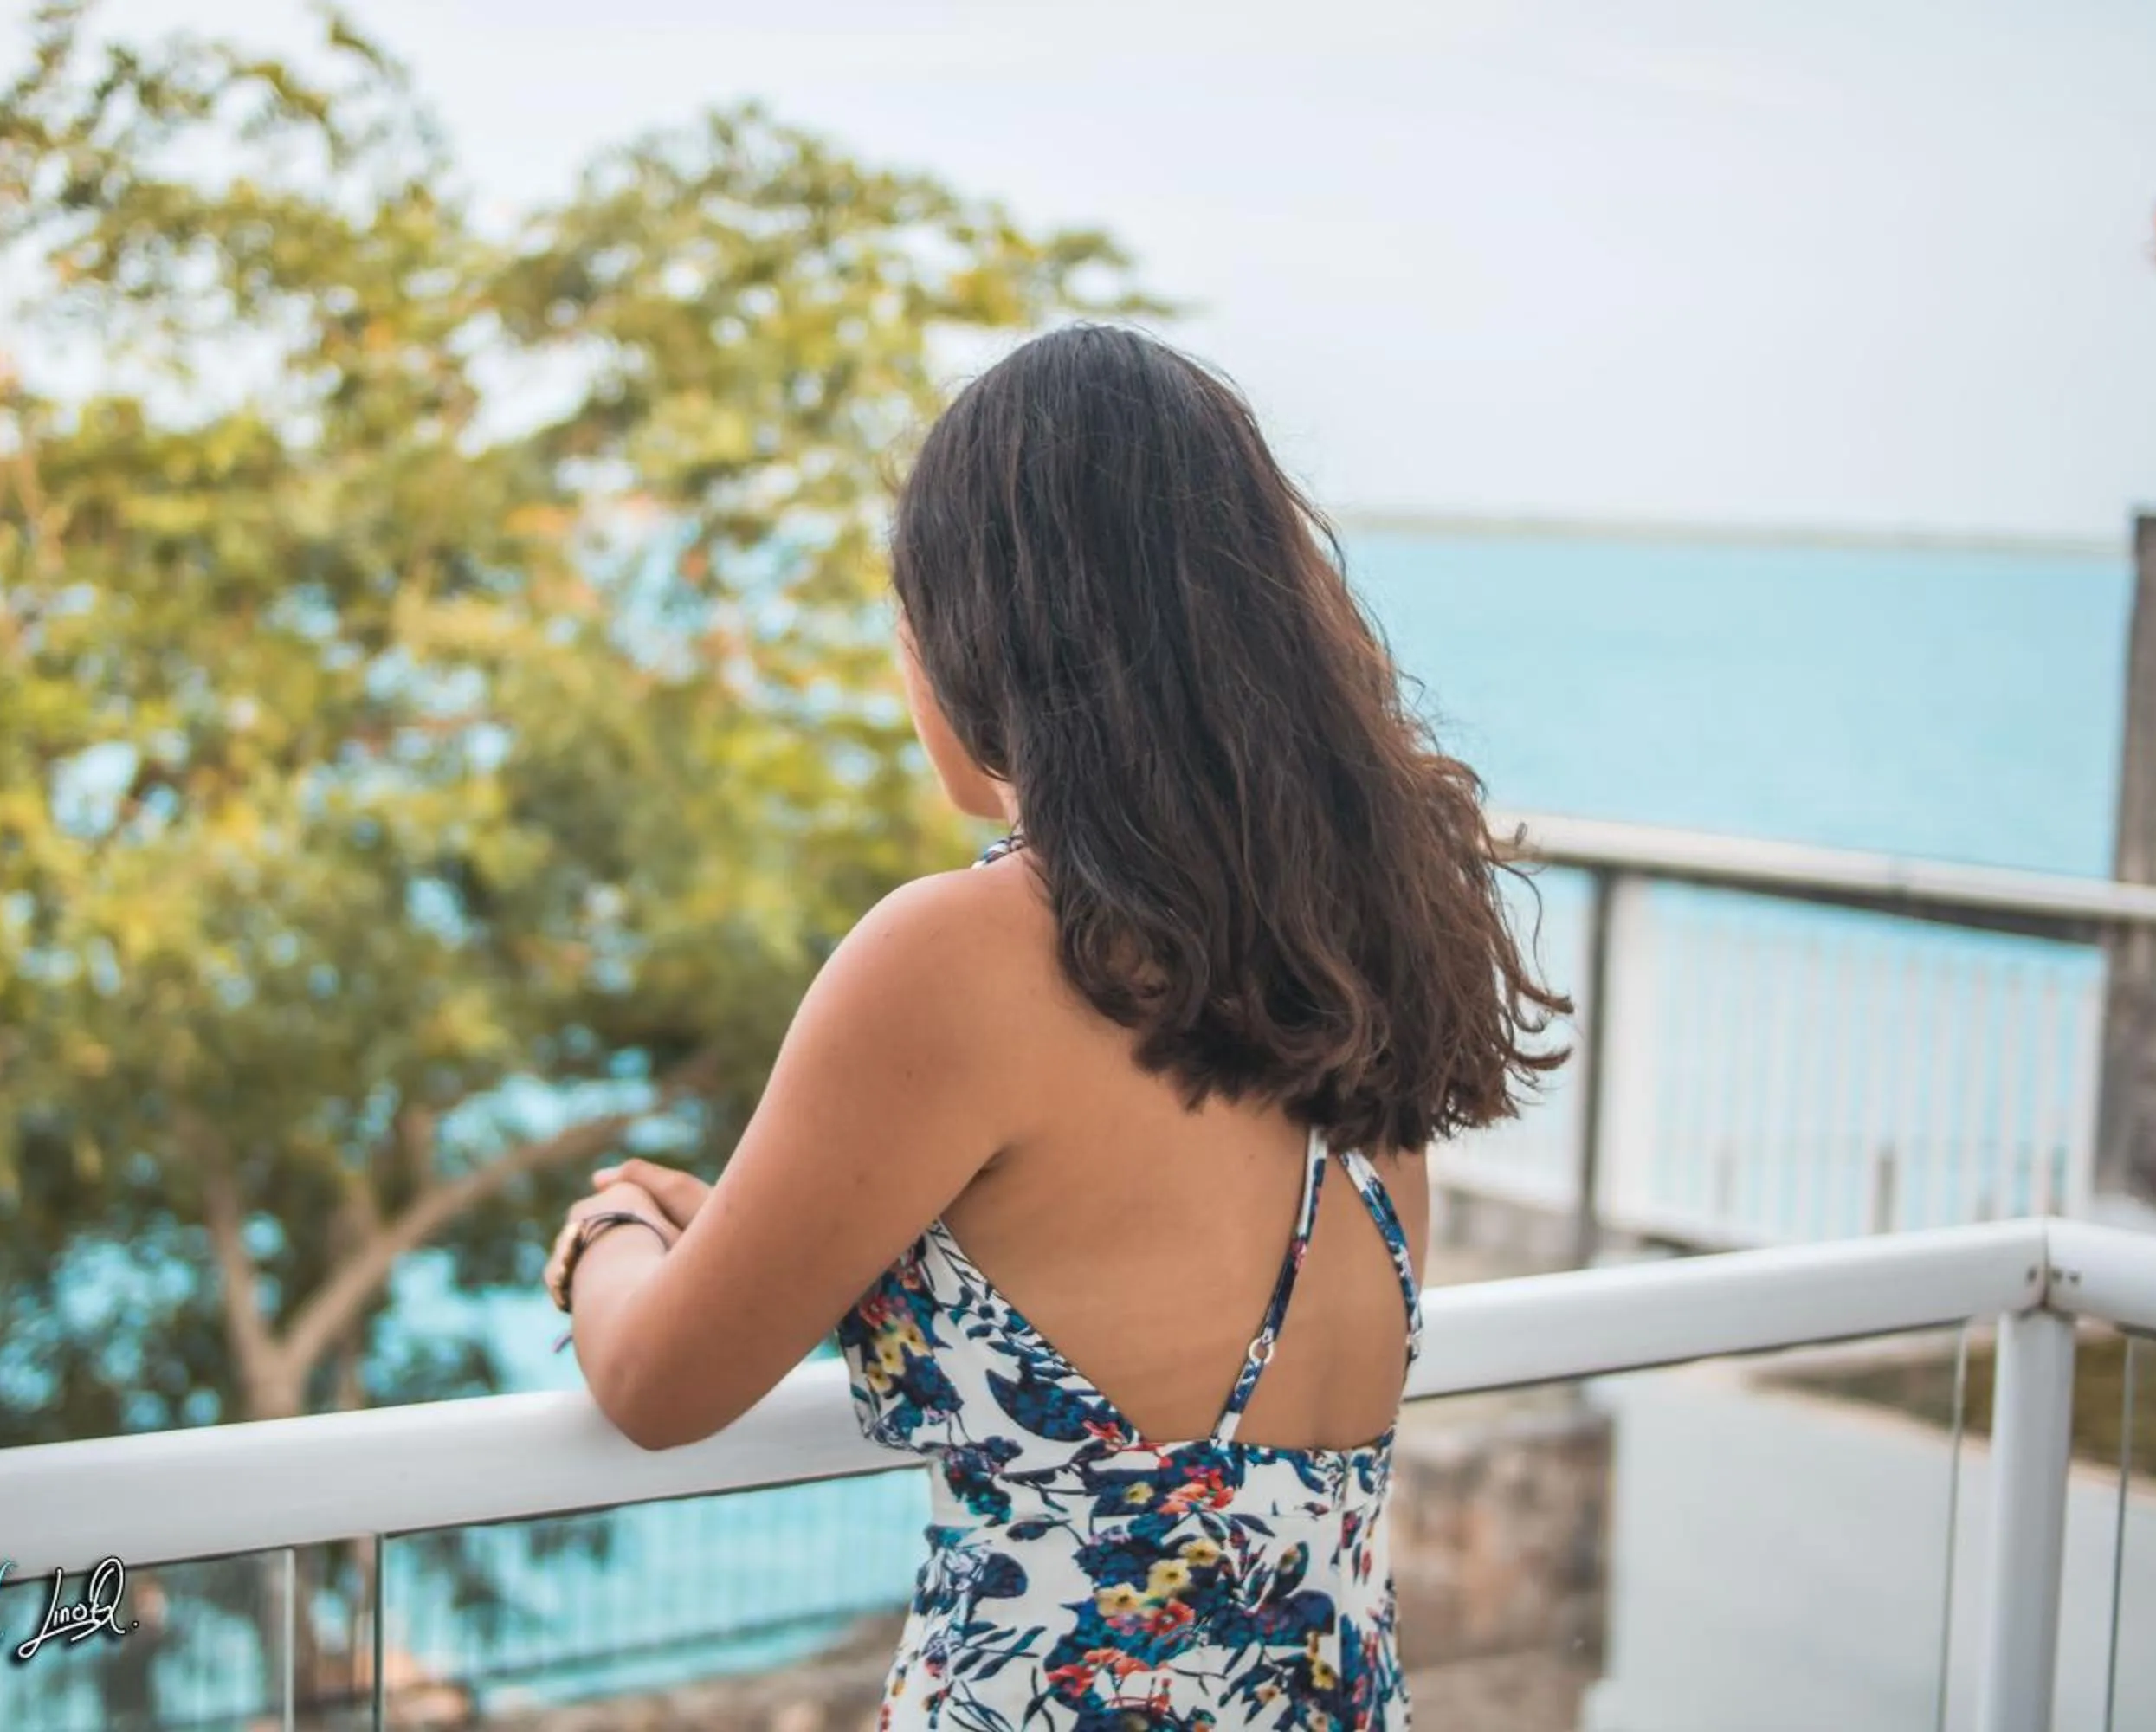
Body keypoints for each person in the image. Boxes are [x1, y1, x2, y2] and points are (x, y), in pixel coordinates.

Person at [543, 323, 1571, 1730]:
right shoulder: (1348, 954)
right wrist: (764, 1241)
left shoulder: (960, 953)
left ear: (984, 633)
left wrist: (612, 1233)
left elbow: (660, 1383)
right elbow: (1113, 1270)